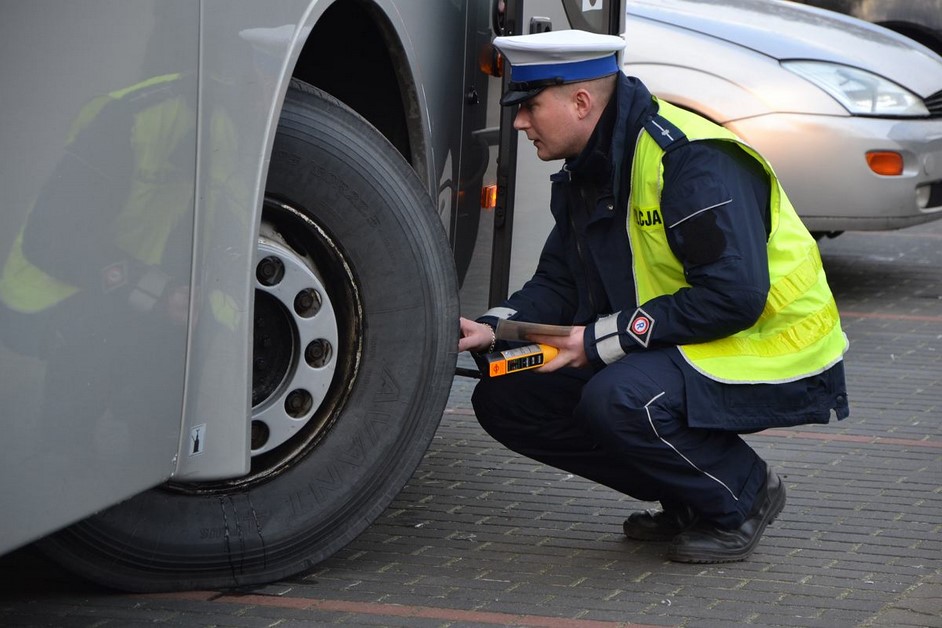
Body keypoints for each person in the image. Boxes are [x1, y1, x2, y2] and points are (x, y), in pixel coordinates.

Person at [458, 30, 849, 563]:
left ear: (580, 102)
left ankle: (744, 494)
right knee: (508, 396)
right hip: (683, 335)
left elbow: (734, 298)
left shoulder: (690, 160)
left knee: (620, 398)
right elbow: (560, 280)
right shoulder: (589, 166)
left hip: (767, 341)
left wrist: (600, 340)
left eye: (528, 106)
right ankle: (690, 494)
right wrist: (495, 327)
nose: (520, 122)